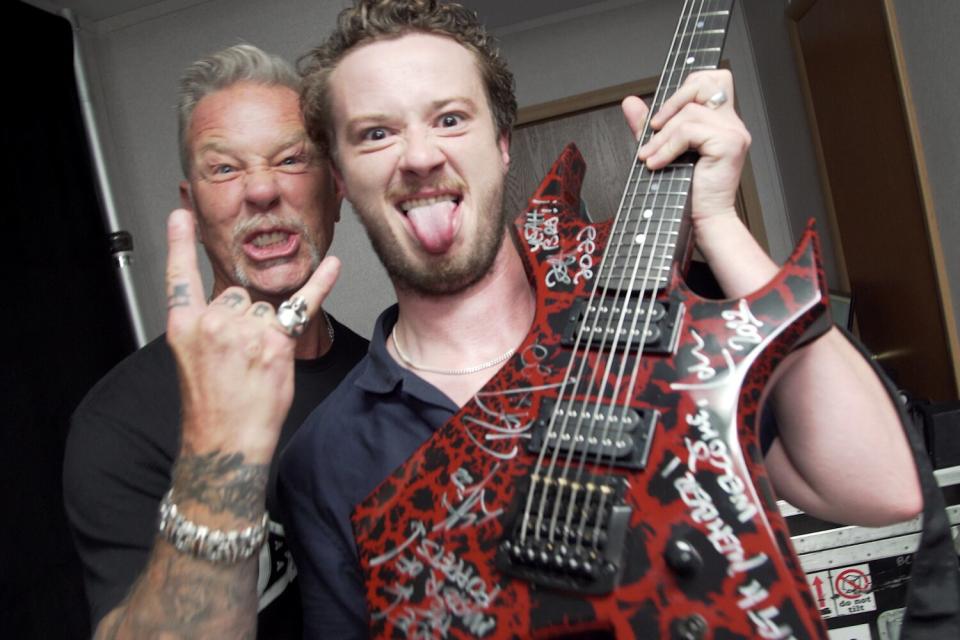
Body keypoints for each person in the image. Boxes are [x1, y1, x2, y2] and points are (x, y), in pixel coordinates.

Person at [278, 0, 923, 636]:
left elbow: (886, 487)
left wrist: (717, 221)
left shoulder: (654, 328)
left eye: (450, 118)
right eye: (376, 133)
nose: (419, 156)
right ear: (338, 176)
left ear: (502, 145)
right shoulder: (324, 458)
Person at [63, 44, 368, 638]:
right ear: (193, 208)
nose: (260, 191)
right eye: (224, 169)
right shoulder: (119, 419)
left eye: (289, 159)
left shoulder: (384, 373)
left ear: (336, 187)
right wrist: (220, 450)